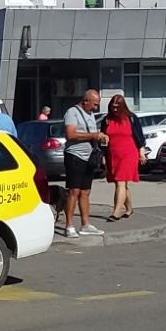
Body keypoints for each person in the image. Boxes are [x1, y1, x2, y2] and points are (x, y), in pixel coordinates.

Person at [62, 89, 106, 238]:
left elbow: (91, 133)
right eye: (94, 104)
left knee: (86, 192)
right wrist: (93, 135)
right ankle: (69, 225)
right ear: (85, 101)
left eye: (97, 105)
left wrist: (100, 137)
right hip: (75, 156)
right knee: (74, 191)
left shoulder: (91, 114)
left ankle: (85, 224)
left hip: (89, 157)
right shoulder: (72, 112)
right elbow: (71, 134)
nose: (96, 108)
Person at [100, 92, 147, 221]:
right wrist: (103, 154)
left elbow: (139, 137)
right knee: (121, 183)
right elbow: (103, 138)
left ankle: (116, 212)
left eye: (117, 107)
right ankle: (129, 209)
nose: (114, 109)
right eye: (112, 107)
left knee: (120, 182)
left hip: (128, 154)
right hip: (113, 154)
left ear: (122, 106)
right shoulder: (107, 120)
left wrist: (141, 153)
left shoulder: (131, 118)